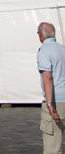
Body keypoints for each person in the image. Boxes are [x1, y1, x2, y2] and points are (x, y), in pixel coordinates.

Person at [37, 22, 65, 154]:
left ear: (41, 35)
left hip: (55, 100)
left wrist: (49, 103)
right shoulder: (62, 49)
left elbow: (47, 76)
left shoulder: (44, 50)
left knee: (53, 148)